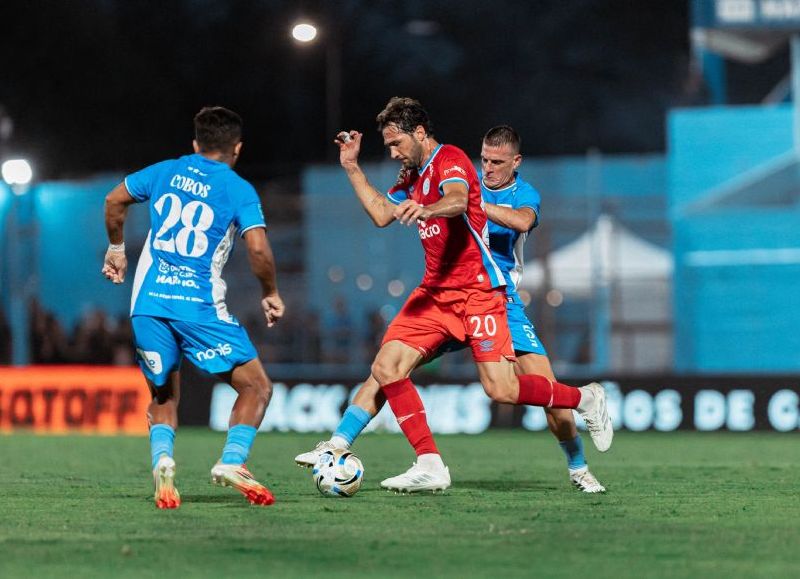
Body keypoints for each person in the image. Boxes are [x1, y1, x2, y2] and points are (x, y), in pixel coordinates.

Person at [300, 97, 611, 493]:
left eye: (396, 144)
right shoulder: (416, 175)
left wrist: (434, 208)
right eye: (486, 160)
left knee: (508, 390)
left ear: (419, 133)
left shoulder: (458, 165)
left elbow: (467, 203)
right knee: (386, 366)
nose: (392, 153)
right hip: (437, 294)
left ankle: (581, 430)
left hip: (487, 294)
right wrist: (351, 167)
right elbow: (381, 214)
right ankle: (363, 448)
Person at [102, 106, 284, 509]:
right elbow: (257, 248)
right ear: (237, 148)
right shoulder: (238, 189)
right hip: (198, 308)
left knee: (164, 396)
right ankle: (232, 460)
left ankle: (163, 460)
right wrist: (270, 292)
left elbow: (114, 200)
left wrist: (116, 249)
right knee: (256, 386)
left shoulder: (165, 171)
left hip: (148, 306)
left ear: (195, 143)